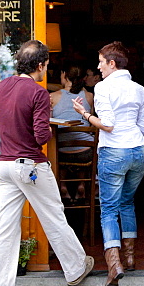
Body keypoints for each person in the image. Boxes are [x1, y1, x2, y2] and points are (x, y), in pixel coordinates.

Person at [0, 40, 94, 286]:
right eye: (46, 65)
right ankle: (76, 268)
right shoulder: (38, 93)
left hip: (6, 164)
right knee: (53, 215)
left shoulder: (2, 87)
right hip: (30, 165)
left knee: (4, 226)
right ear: (41, 65)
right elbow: (42, 135)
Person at [73, 41, 144, 286]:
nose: (98, 66)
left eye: (101, 62)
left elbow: (107, 125)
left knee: (108, 209)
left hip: (113, 151)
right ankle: (130, 258)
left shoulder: (103, 88)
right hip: (138, 151)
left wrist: (84, 114)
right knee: (127, 203)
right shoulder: (138, 89)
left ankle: (114, 265)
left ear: (112, 64)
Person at [50, 65, 95, 202]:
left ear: (64, 75)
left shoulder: (53, 97)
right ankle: (81, 184)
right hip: (85, 153)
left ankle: (62, 185)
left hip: (62, 152)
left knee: (58, 145)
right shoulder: (89, 96)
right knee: (83, 144)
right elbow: (91, 120)